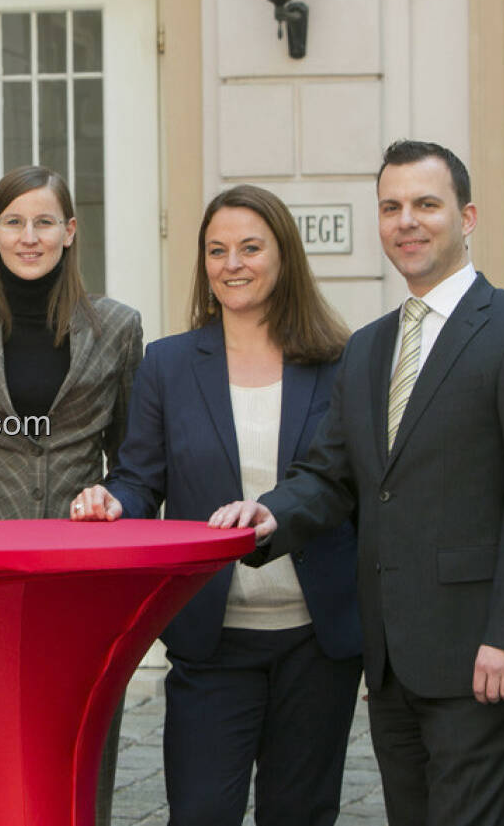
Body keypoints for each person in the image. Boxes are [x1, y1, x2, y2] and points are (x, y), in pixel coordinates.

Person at [211, 140, 504, 826]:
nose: (406, 221)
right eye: (391, 207)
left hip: (481, 654)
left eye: (425, 204)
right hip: (390, 661)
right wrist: (267, 517)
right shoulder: (370, 345)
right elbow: (330, 474)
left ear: (466, 217)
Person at [71, 185, 361, 825]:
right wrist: (113, 503)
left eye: (250, 248)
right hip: (211, 636)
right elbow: (140, 481)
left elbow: (344, 483)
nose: (233, 264)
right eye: (217, 250)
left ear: (283, 256)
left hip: (318, 639)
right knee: (201, 811)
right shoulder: (169, 364)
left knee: (300, 813)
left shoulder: (341, 363)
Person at [0, 165, 143, 826]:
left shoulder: (118, 327)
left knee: (79, 739)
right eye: (13, 221)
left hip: (81, 572)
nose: (29, 236)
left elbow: (134, 457)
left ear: (70, 232)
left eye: (44, 221)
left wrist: (113, 500)